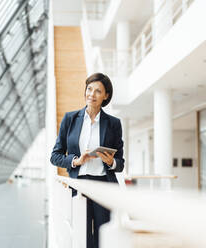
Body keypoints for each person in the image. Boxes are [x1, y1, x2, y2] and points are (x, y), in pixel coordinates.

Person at [50, 72, 124, 248]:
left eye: (98, 91)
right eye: (89, 89)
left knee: (102, 236)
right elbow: (55, 156)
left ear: (106, 96)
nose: (92, 94)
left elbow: (120, 163)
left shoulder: (113, 123)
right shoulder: (70, 119)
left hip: (103, 186)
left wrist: (110, 162)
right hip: (79, 185)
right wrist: (76, 161)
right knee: (82, 237)